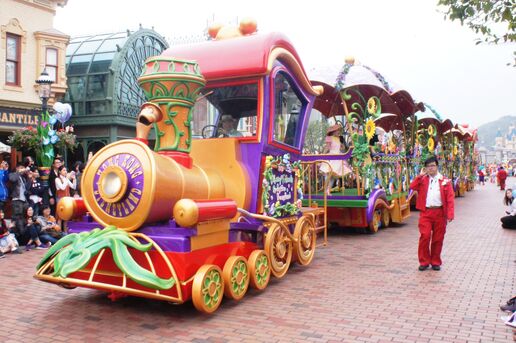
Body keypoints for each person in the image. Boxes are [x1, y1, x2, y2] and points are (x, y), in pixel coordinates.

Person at [409, 156, 455, 271]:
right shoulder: (423, 180)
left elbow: (450, 198)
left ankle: (435, 261)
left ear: (437, 166)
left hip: (440, 213)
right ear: (425, 168)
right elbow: (412, 186)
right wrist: (420, 175)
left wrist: (450, 214)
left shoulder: (445, 181)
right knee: (425, 236)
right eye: (428, 166)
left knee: (438, 238)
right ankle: (424, 261)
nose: (431, 168)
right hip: (426, 212)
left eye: (433, 165)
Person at [319, 124, 352, 195]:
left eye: (339, 131)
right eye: (338, 130)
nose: (339, 132)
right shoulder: (330, 138)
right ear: (333, 131)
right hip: (331, 157)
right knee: (328, 174)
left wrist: (342, 146)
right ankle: (325, 188)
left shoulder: (338, 139)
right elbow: (327, 148)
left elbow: (341, 148)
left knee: (333, 176)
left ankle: (328, 190)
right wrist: (322, 155)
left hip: (338, 157)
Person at [9, 163, 29, 240]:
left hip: (23, 200)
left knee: (23, 218)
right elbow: (12, 179)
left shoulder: (23, 178)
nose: (23, 170)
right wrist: (18, 172)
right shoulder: (12, 174)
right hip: (16, 199)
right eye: (21, 168)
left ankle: (22, 237)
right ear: (17, 168)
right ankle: (17, 237)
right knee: (16, 218)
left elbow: (26, 189)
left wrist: (29, 178)